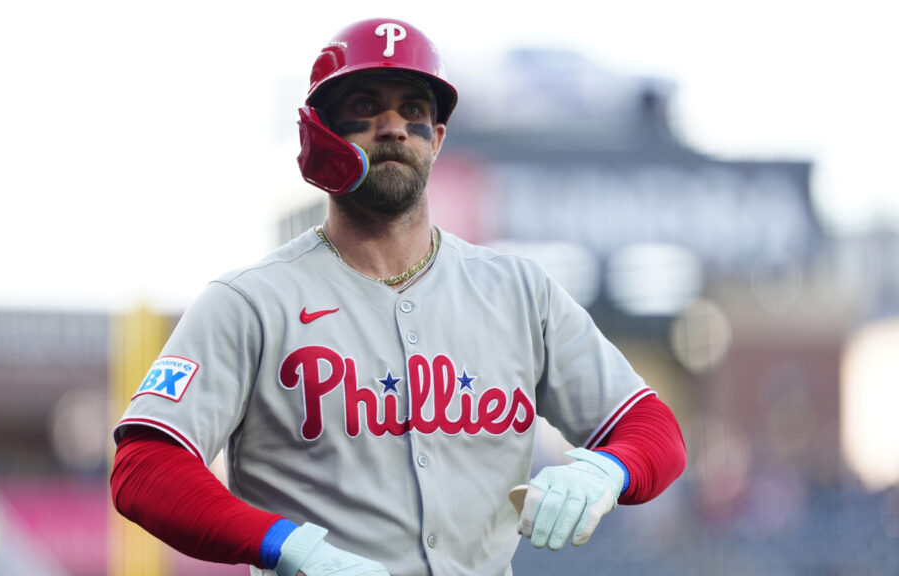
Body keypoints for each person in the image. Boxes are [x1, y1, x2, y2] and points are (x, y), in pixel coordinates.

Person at [110, 17, 687, 576]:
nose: (393, 127)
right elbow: (144, 467)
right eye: (366, 106)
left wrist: (606, 471)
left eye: (413, 111)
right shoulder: (250, 302)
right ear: (321, 133)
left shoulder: (519, 291)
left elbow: (651, 428)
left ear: (437, 140)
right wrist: (283, 544)